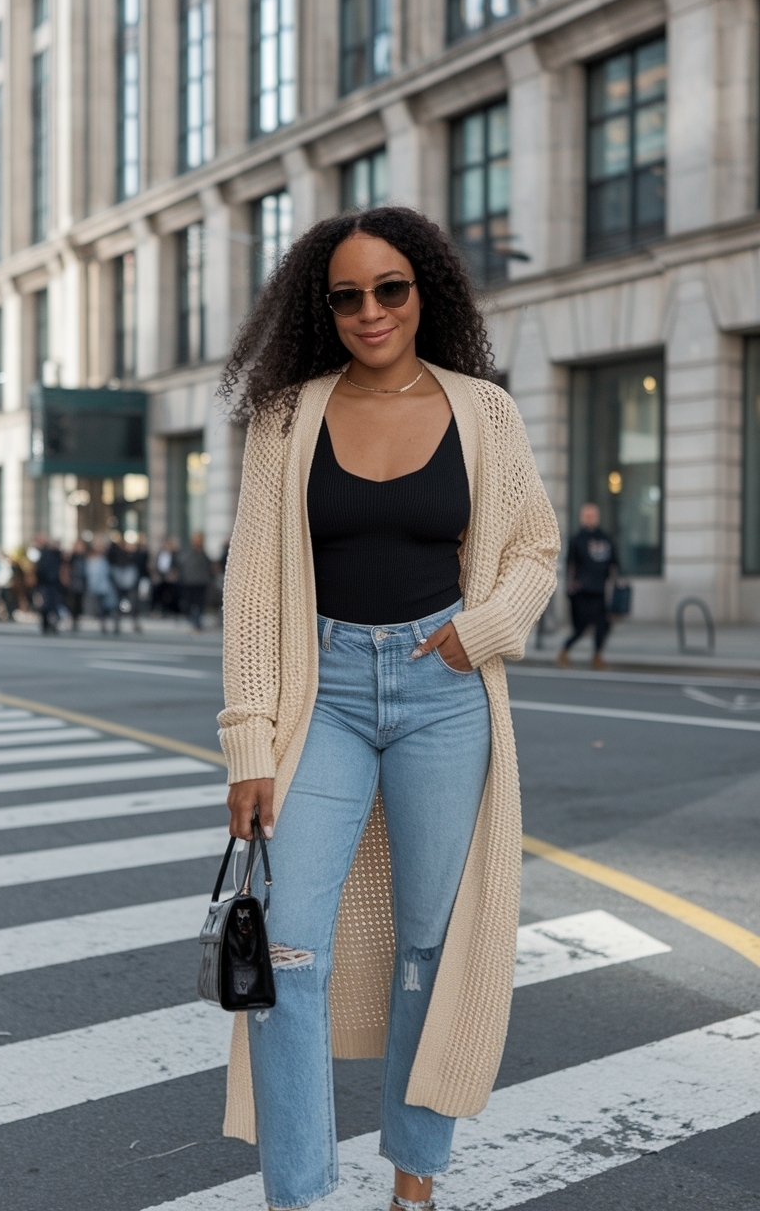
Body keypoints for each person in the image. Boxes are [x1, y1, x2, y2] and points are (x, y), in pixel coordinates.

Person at [217, 206, 559, 1211]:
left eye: (390, 289)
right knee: (284, 938)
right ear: (321, 309)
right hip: (317, 694)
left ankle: (415, 1181)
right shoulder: (286, 418)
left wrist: (483, 629)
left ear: (427, 293)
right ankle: (299, 1194)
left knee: (428, 943)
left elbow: (533, 547)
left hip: (442, 689)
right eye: (347, 295)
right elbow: (251, 591)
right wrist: (247, 740)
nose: (370, 311)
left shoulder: (483, 412)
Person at [557, 503, 619, 671]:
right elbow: (570, 564)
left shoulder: (605, 538)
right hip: (581, 591)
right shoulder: (577, 539)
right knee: (581, 627)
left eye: (593, 515)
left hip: (599, 589)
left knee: (603, 624)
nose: (590, 518)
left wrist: (617, 582)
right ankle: (564, 650)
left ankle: (597, 655)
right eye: (587, 515)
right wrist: (570, 587)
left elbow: (614, 562)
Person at [178, 532, 213, 630]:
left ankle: (196, 621)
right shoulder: (190, 554)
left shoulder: (202, 554)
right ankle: (195, 620)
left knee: (199, 604)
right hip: (192, 583)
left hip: (200, 582)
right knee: (192, 603)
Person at [86, 536, 115, 632]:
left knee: (106, 605)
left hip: (104, 585)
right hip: (95, 585)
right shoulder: (91, 558)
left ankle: (106, 621)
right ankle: (102, 621)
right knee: (98, 605)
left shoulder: (107, 558)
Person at [34, 536, 63, 633]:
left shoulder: (57, 555)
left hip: (53, 584)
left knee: (52, 606)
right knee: (46, 606)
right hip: (47, 584)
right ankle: (46, 625)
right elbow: (40, 570)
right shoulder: (47, 554)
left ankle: (50, 625)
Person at [64, 539, 88, 631]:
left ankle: (77, 619)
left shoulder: (84, 557)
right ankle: (72, 619)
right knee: (71, 602)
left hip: (80, 584)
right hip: (72, 583)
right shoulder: (71, 558)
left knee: (79, 603)